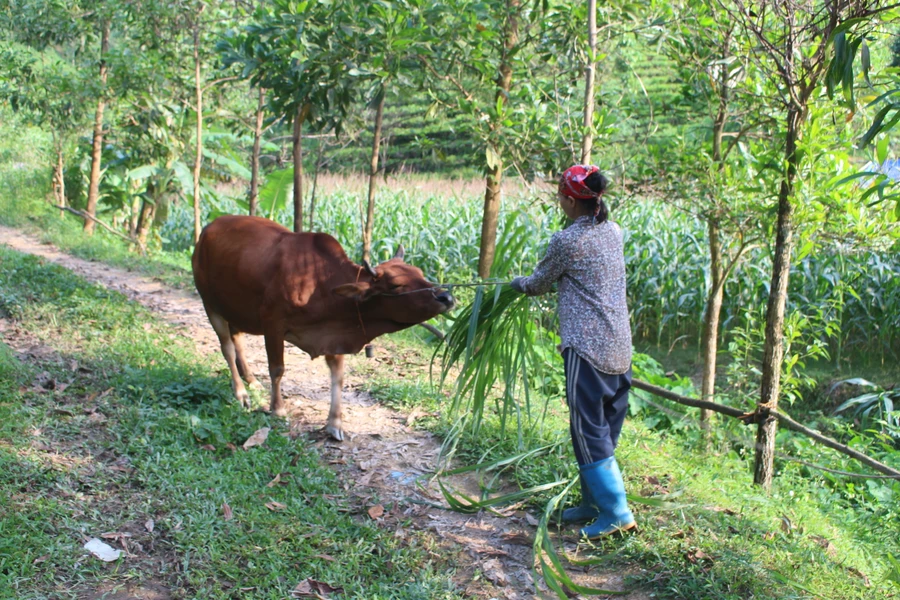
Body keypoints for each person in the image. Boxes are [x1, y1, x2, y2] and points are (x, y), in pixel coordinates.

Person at [509, 164, 636, 539]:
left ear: (568, 200)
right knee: (605, 426)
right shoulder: (613, 231)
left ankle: (616, 511)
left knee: (586, 428)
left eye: (560, 197)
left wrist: (516, 283)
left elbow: (536, 284)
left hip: (586, 347)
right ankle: (594, 502)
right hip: (620, 346)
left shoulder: (567, 241)